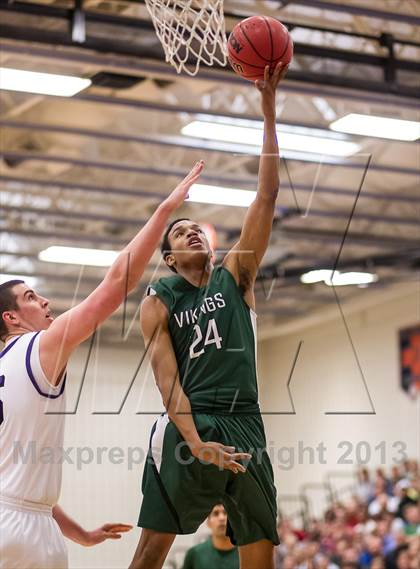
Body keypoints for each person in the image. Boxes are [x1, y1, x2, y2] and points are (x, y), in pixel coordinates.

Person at [0, 161, 204, 569]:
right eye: (31, 297)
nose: (45, 303)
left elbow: (13, 485)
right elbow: (116, 284)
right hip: (26, 533)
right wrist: (164, 210)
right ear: (11, 318)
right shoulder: (39, 347)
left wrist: (81, 534)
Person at [129, 62, 288, 569]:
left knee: (259, 547)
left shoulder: (236, 274)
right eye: (180, 233)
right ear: (169, 259)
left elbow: (266, 196)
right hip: (188, 423)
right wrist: (197, 444)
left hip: (246, 420)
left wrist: (267, 110)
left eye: (197, 228)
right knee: (153, 549)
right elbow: (169, 386)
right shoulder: (157, 303)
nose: (193, 232)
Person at [182, 504, 239, 569]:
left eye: (226, 513)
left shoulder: (246, 554)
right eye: (215, 513)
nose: (222, 518)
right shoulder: (195, 554)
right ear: (208, 522)